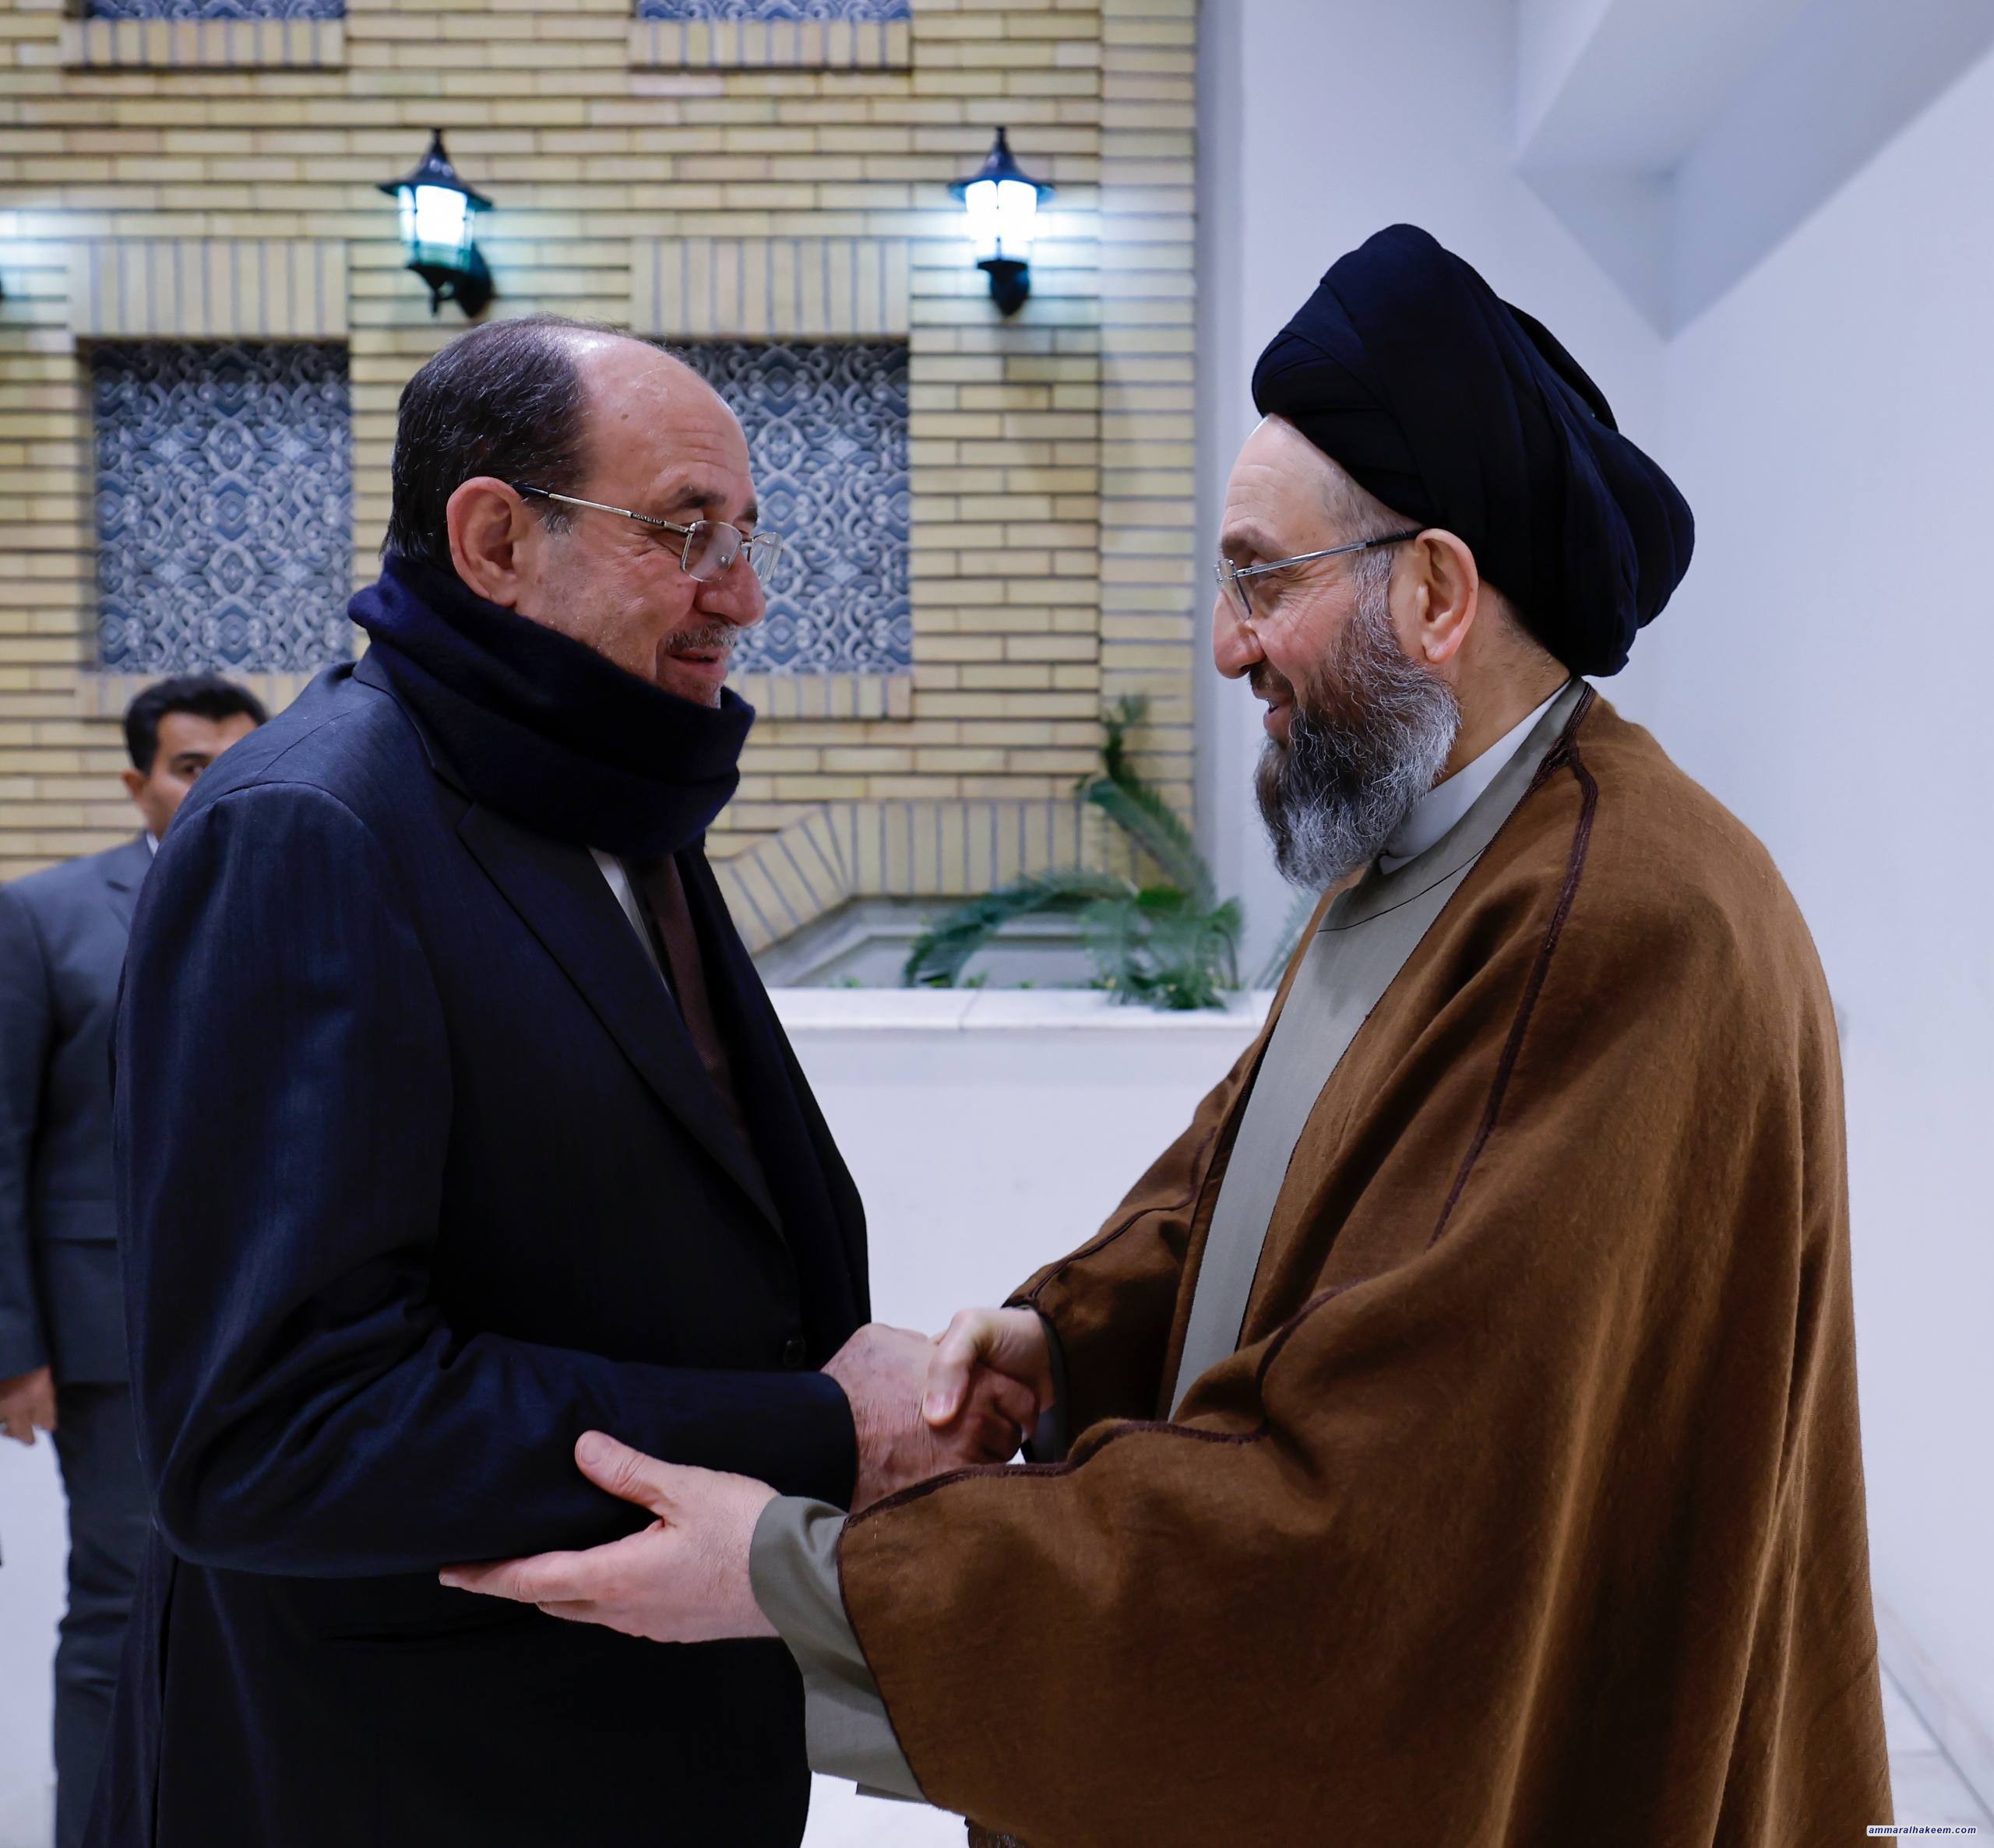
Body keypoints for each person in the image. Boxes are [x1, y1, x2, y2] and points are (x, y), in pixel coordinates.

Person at [447, 229, 1892, 1845]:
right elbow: (1247, 1181)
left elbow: (1365, 1523)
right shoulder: (1449, 848)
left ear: (1433, 592)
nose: (1225, 643)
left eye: (1261, 577)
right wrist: (1060, 1334)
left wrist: (794, 1572)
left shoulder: (1616, 924)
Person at [89, 316, 1030, 1848]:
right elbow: (278, 1429)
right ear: (494, 540)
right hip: (410, 1779)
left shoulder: (604, 786)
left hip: (637, 1753)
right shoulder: (311, 828)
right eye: (685, 532)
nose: (744, 594)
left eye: (746, 536)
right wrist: (814, 1432)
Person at [0, 674, 264, 1848]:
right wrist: (14, 1346)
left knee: (256, 1606)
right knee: (118, 1600)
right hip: (107, 1329)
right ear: (137, 781)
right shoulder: (42, 917)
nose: (215, 787)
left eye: (236, 763)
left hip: (269, 1323)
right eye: (190, 766)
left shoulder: (297, 891)